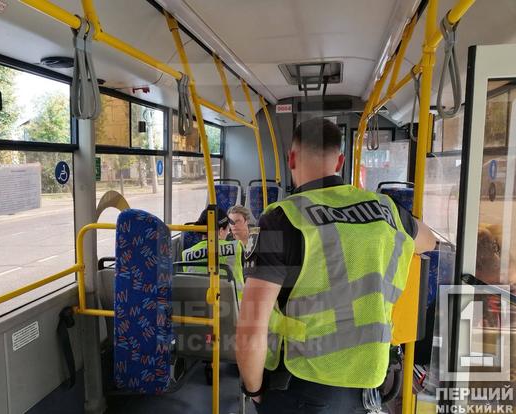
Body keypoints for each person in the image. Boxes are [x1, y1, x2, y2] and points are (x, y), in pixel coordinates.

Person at [236, 118, 436, 413]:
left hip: (302, 384)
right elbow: (429, 240)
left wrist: (253, 389)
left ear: (291, 159)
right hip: (369, 383)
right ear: (340, 162)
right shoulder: (387, 210)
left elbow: (252, 326)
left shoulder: (280, 220)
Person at [182, 207, 245, 300]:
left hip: (198, 306)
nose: (228, 233)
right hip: (235, 305)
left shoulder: (186, 254)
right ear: (220, 231)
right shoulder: (236, 247)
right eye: (227, 229)